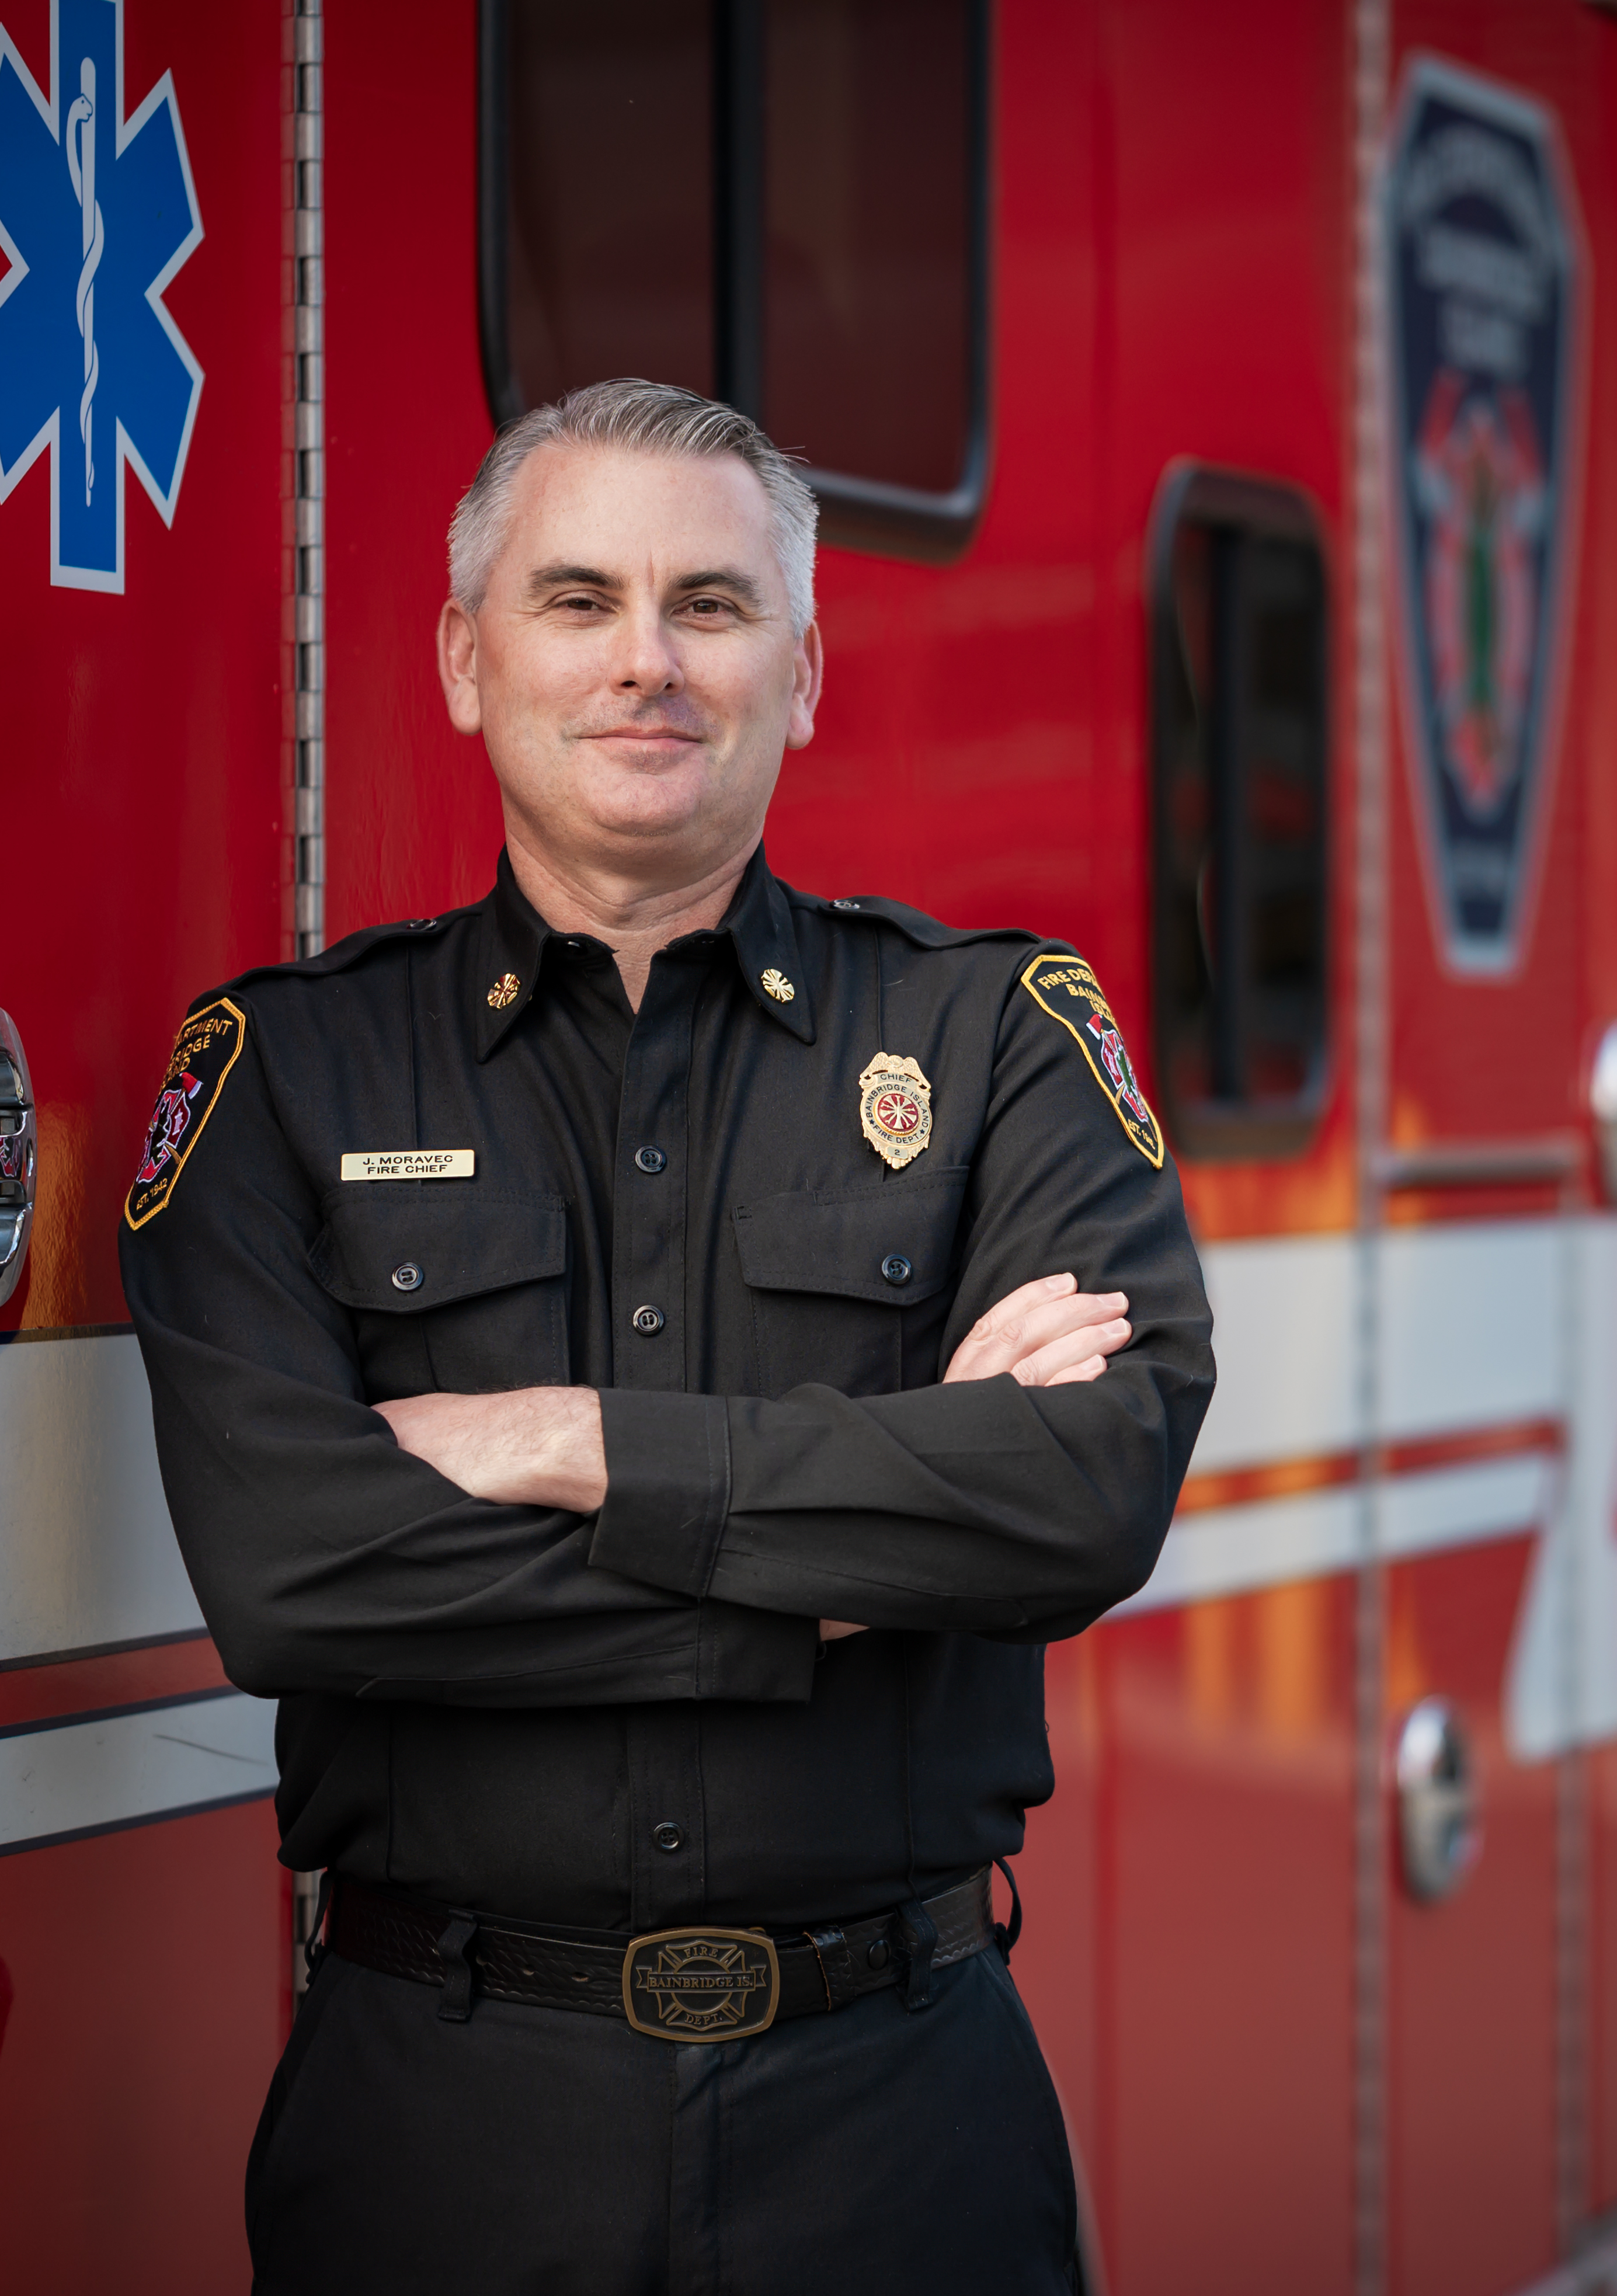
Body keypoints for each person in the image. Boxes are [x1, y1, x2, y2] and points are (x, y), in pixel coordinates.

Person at [119, 377, 1213, 2294]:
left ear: (802, 672)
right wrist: (855, 1562)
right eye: (578, 602)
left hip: (900, 2124)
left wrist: (569, 1444)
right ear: (466, 663)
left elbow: (1081, 1495)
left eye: (712, 606)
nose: (648, 663)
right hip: (442, 2129)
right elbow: (298, 1580)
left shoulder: (998, 1042)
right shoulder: (281, 1076)